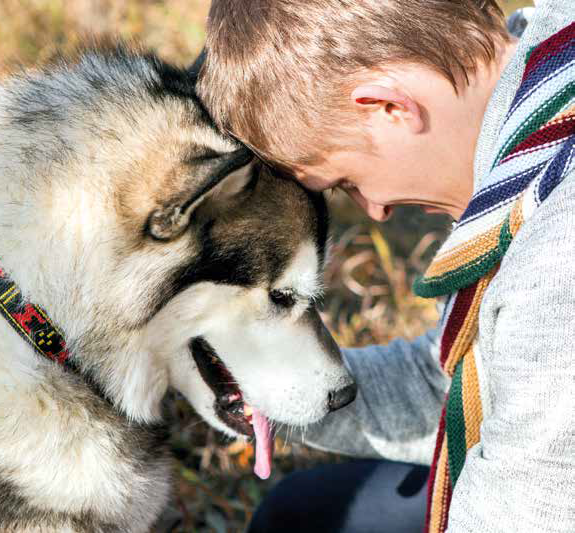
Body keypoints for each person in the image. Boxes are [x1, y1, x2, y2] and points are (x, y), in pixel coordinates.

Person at [196, 1, 575, 531]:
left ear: (388, 107)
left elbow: (532, 510)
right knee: (305, 515)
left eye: (347, 182)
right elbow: (450, 386)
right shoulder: (547, 95)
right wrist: (271, 378)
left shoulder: (556, 255)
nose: (376, 209)